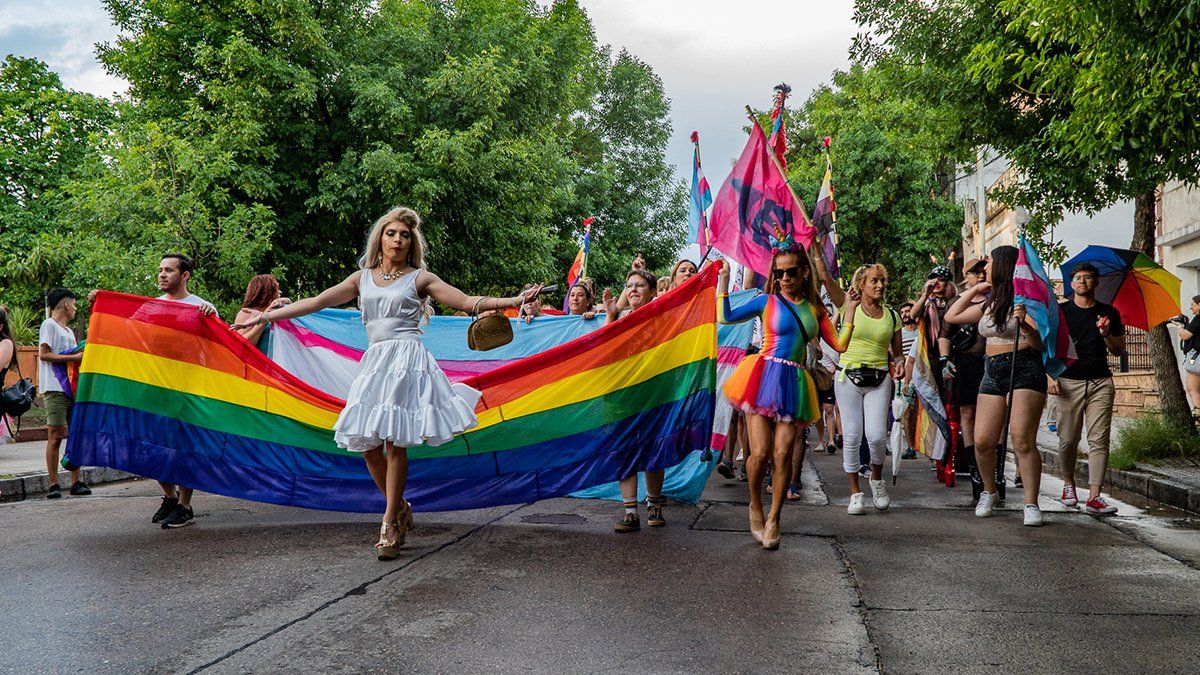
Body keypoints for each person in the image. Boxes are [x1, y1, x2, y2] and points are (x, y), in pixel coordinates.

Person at [233, 207, 542, 559]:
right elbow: (316, 301)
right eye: (391, 233)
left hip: (407, 361)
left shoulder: (421, 279)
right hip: (375, 363)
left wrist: (515, 301)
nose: (397, 239)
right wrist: (266, 315)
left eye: (404, 235)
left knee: (396, 444)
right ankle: (400, 507)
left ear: (412, 243)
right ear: (380, 238)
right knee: (367, 445)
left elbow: (469, 301)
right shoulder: (360, 277)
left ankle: (388, 525)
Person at [718, 244, 844, 549]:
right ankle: (755, 505)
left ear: (803, 273)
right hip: (760, 377)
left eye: (790, 272)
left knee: (783, 453)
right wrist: (723, 281)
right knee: (759, 454)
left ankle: (774, 516)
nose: (784, 277)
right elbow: (725, 316)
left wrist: (849, 312)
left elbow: (839, 345)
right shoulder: (766, 301)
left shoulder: (815, 309)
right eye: (779, 272)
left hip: (794, 382)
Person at [945, 246, 1047, 526]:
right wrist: (978, 288)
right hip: (991, 370)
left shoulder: (1025, 301)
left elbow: (1040, 344)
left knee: (1022, 439)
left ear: (1003, 266)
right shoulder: (989, 303)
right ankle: (989, 491)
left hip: (1024, 368)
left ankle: (1031, 502)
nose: (984, 268)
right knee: (982, 441)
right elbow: (951, 316)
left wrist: (1025, 325)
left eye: (988, 264)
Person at [823, 265, 904, 514]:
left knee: (877, 436)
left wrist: (899, 365)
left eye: (882, 281)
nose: (880, 285)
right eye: (874, 281)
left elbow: (898, 354)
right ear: (861, 284)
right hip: (848, 378)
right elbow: (825, 278)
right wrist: (815, 247)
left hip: (880, 379)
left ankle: (876, 481)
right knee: (852, 436)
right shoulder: (848, 307)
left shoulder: (892, 315)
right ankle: (855, 493)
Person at [1051, 262, 1126, 515]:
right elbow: (1049, 348)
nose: (1082, 282)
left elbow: (1118, 350)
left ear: (1096, 282)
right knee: (1068, 440)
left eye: (1088, 278)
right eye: (1078, 278)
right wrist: (1051, 376)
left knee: (1099, 441)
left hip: (1100, 382)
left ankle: (1095, 496)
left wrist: (1105, 333)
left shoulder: (1109, 313)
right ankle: (1069, 483)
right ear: (1071, 285)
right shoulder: (1061, 312)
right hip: (1068, 382)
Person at [154, 254, 216, 528]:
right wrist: (101, 302)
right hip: (156, 388)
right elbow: (125, 331)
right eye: (160, 270)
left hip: (189, 389)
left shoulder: (202, 308)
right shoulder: (151, 307)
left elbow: (218, 346)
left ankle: (185, 505)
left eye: (169, 270)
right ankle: (169, 496)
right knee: (153, 446)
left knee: (184, 448)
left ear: (185, 275)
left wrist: (212, 318)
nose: (162, 274)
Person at [601, 269, 665, 532]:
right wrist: (609, 314)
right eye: (629, 286)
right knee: (624, 449)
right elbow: (603, 347)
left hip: (653, 393)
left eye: (640, 285)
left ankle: (654, 504)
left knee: (653, 451)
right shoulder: (620, 318)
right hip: (621, 393)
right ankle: (630, 511)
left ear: (651, 291)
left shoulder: (663, 316)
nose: (634, 289)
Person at [37, 288, 89, 499]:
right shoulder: (49, 325)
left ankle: (76, 481)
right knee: (55, 435)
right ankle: (53, 483)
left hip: (71, 388)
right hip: (54, 388)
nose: (76, 309)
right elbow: (44, 354)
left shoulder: (68, 331)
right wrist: (74, 359)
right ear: (66, 305)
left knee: (75, 434)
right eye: (74, 305)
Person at [942, 257, 987, 475]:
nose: (980, 275)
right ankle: (973, 466)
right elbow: (945, 335)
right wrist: (945, 360)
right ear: (965, 275)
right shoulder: (957, 302)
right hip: (965, 363)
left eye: (982, 270)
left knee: (994, 414)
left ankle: (994, 466)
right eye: (974, 271)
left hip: (991, 362)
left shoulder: (995, 299)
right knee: (967, 413)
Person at [233, 274, 290, 350]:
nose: (280, 292)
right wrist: (264, 319)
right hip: (257, 360)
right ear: (267, 292)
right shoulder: (246, 312)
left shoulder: (276, 311)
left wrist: (287, 301)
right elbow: (240, 344)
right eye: (276, 289)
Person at [1177, 296, 1200, 414]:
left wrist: (1180, 328)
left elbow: (1186, 335)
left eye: (1193, 304)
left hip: (1197, 360)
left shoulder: (1198, 318)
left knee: (1193, 390)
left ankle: (1198, 420)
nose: (1191, 307)